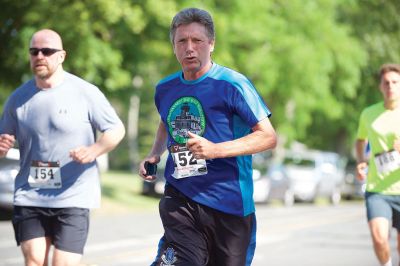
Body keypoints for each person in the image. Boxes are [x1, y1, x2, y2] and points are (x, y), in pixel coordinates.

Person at [139, 7, 277, 266]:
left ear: (211, 44)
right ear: (174, 46)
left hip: (229, 203)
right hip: (180, 195)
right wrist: (155, 152)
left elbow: (268, 137)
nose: (189, 48)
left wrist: (215, 150)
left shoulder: (233, 85)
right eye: (182, 41)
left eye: (197, 41)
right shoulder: (165, 88)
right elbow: (165, 121)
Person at [0, 29, 125, 265]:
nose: (40, 56)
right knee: (34, 260)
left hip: (73, 195)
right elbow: (3, 140)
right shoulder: (18, 98)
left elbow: (116, 129)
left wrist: (94, 150)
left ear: (62, 56)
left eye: (47, 51)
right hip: (31, 194)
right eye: (34, 51)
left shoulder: (85, 93)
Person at [355, 63, 400, 266]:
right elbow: (360, 140)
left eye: (394, 82)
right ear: (380, 87)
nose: (390, 86)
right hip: (377, 188)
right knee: (379, 238)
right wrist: (361, 161)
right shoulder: (369, 114)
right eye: (386, 83)